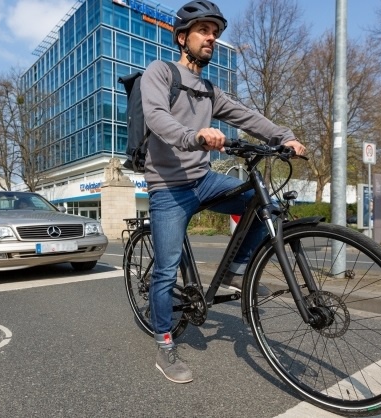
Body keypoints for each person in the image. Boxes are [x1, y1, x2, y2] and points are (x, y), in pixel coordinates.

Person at [140, 0, 306, 384]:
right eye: (203, 31)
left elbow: (247, 116)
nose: (211, 38)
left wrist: (285, 137)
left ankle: (234, 271)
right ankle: (164, 343)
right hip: (168, 186)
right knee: (165, 270)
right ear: (182, 37)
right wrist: (194, 135)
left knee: (265, 204)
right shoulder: (160, 72)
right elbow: (156, 117)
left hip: (203, 179)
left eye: (215, 32)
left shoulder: (210, 90)